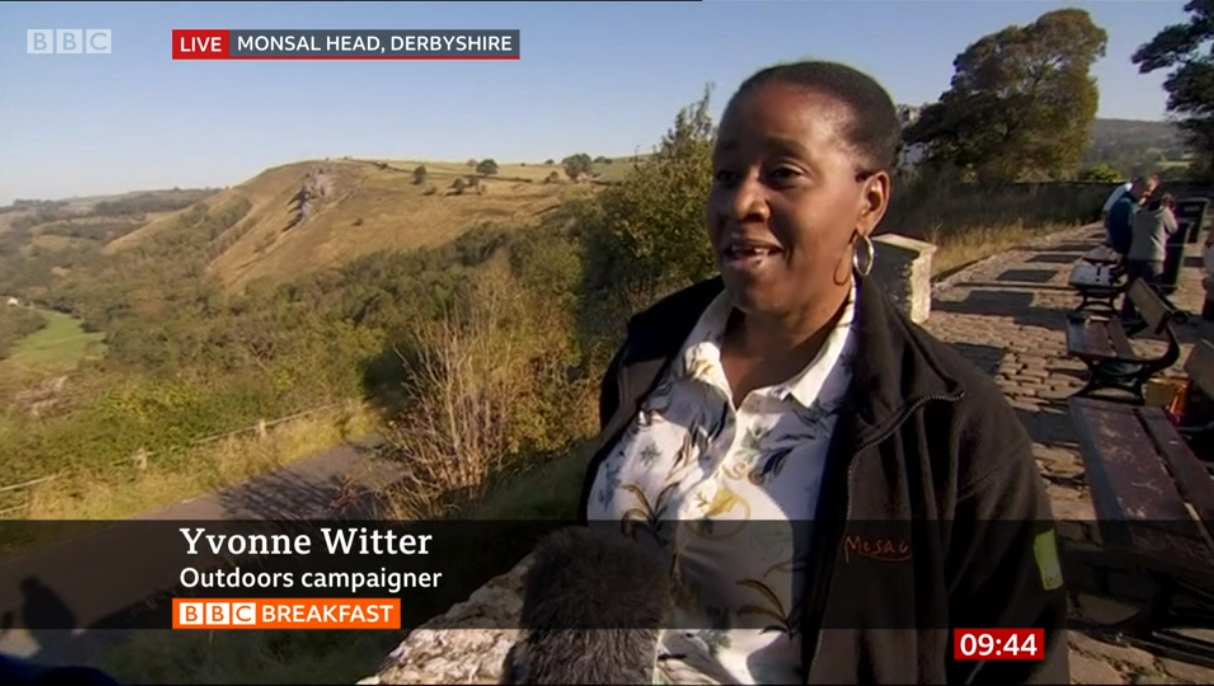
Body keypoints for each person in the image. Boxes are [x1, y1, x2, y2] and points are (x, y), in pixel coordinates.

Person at [578, 60, 1068, 685]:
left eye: (783, 173)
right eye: (726, 175)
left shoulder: (952, 424)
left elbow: (1019, 646)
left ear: (870, 202)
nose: (741, 202)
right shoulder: (649, 352)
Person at [1122, 193, 1179, 322]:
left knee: (1132, 288)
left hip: (1134, 254)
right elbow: (1174, 229)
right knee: (1151, 289)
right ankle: (1147, 317)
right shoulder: (1164, 213)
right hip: (1153, 256)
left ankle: (1127, 314)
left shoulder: (1138, 213)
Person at [1105, 177, 1155, 258]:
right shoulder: (1126, 205)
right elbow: (1124, 231)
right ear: (1137, 187)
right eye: (1147, 190)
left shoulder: (1130, 203)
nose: (1149, 195)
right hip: (1128, 252)